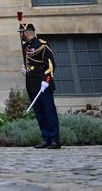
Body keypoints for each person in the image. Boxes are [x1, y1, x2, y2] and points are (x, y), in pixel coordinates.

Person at [20, 21, 60, 149]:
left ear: (27, 32)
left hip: (43, 85)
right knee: (39, 113)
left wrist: (46, 80)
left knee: (49, 111)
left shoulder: (42, 45)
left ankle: (54, 139)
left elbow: (51, 64)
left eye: (22, 33)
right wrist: (26, 71)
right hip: (32, 84)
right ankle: (45, 137)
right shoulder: (26, 46)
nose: (21, 35)